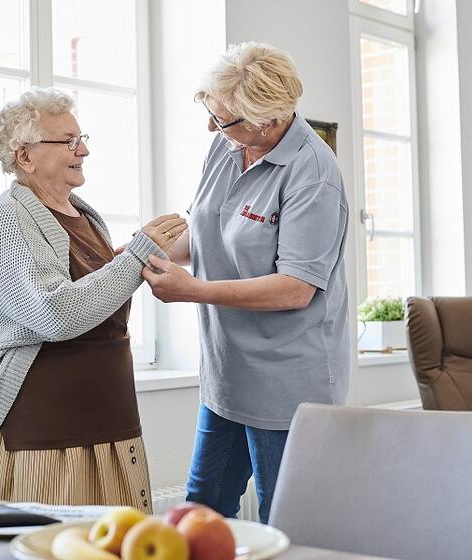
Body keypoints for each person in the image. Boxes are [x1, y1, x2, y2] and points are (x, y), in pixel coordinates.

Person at [142, 42, 350, 523]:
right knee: (199, 513)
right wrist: (133, 252)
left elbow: (295, 287)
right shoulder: (225, 144)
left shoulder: (313, 174)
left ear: (268, 120)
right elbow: (205, 231)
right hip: (227, 376)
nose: (210, 127)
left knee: (287, 521)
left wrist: (191, 289)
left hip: (288, 384)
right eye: (210, 113)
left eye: (222, 119)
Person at [0, 86, 186, 511]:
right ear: (24, 156)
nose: (82, 150)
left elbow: (95, 294)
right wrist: (136, 254)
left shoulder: (85, 215)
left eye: (81, 139)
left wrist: (138, 258)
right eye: (67, 141)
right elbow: (54, 313)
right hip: (44, 436)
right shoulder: (7, 219)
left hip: (110, 423)